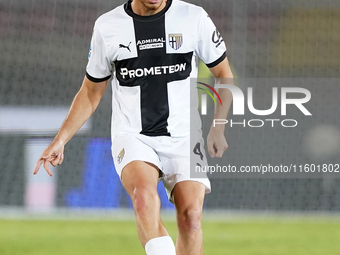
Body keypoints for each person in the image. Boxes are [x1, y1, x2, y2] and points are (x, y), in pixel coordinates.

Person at [33, 0, 233, 254]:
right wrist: (60, 139)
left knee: (191, 216)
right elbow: (91, 92)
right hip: (134, 136)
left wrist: (218, 125)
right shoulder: (108, 27)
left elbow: (224, 74)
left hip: (184, 136)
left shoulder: (193, 18)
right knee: (143, 199)